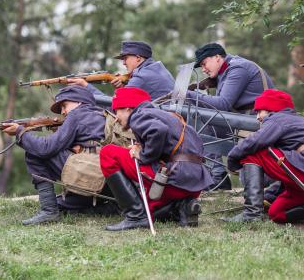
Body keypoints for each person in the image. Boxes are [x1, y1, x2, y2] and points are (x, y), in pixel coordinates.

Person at [99, 87, 213, 231]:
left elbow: (158, 131)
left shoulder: (139, 115)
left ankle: (136, 216)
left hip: (173, 180)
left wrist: (143, 155)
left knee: (108, 152)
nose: (115, 117)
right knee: (152, 209)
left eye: (117, 111)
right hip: (193, 184)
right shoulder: (167, 115)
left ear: (128, 109)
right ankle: (183, 206)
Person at [3, 85, 109, 225]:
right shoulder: (101, 113)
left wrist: (20, 132)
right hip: (108, 180)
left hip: (93, 173)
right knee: (61, 203)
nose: (63, 112)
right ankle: (106, 208)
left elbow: (45, 149)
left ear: (79, 101)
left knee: (35, 153)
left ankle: (48, 212)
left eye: (64, 106)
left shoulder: (77, 114)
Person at [187, 43, 275, 190]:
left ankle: (219, 178)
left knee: (248, 179)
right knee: (200, 121)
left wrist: (190, 94)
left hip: (261, 122)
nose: (203, 69)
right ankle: (217, 177)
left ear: (217, 57)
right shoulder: (228, 68)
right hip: (247, 120)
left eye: (204, 63)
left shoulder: (237, 68)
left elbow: (223, 104)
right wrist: (210, 82)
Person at [224, 89, 304, 223]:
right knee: (276, 213)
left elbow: (255, 141)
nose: (257, 117)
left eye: (259, 111)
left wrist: (232, 159)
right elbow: (289, 168)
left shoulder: (277, 119)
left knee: (253, 153)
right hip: (299, 174)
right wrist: (269, 196)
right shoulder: (295, 119)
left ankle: (251, 215)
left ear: (271, 108)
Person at [69, 40, 175, 100]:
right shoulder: (156, 69)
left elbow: (114, 106)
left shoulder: (141, 76)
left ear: (138, 58)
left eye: (125, 58)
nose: (123, 63)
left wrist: (85, 86)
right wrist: (122, 88)